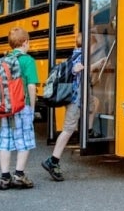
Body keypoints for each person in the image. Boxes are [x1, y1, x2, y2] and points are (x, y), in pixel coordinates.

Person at [42, 32, 105, 182]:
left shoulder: (76, 53)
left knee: (93, 103)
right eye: (94, 46)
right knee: (68, 130)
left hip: (80, 97)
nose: (94, 49)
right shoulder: (80, 56)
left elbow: (83, 69)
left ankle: (88, 130)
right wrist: (93, 66)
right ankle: (53, 161)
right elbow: (78, 69)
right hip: (75, 100)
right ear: (89, 46)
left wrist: (95, 65)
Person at [0, 27, 39, 190]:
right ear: (25, 42)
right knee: (24, 140)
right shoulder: (28, 60)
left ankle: (4, 177)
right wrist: (32, 108)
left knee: (5, 140)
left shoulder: (4, 59)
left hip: (4, 106)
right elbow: (31, 86)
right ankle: (19, 175)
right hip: (22, 105)